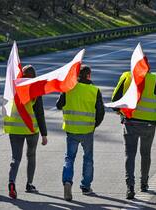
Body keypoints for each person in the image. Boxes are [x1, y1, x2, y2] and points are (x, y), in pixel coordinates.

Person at [111, 69, 156, 199]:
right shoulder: (154, 79)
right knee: (145, 154)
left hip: (130, 123)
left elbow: (115, 101)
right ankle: (144, 183)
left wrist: (120, 110)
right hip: (149, 124)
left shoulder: (126, 76)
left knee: (130, 155)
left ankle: (130, 187)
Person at [56, 65, 105, 201]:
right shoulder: (94, 90)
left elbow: (59, 105)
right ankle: (85, 186)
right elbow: (101, 112)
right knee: (88, 158)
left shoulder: (69, 87)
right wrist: (94, 125)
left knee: (69, 158)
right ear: (88, 76)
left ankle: (67, 181)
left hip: (71, 129)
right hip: (87, 130)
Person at [3, 65, 48, 199]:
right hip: (31, 129)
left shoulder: (13, 88)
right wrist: (44, 134)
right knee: (31, 156)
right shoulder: (35, 90)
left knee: (15, 158)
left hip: (15, 129)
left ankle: (12, 182)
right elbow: (39, 113)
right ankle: (29, 184)